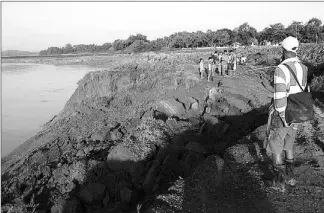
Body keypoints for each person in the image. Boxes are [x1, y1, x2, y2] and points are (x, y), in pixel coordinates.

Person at [268, 36, 308, 192]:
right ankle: (290, 178)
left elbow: (279, 96)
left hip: (284, 113)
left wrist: (283, 117)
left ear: (283, 50)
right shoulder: (304, 67)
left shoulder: (281, 69)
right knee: (289, 144)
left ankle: (280, 183)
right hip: (298, 111)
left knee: (276, 146)